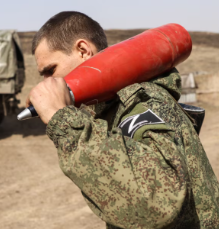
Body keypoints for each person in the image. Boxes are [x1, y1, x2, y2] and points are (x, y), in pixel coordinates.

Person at [27, 11, 219, 228]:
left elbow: (158, 203)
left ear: (83, 50)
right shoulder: (110, 106)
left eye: (50, 70)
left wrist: (62, 121)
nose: (46, 83)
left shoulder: (142, 101)